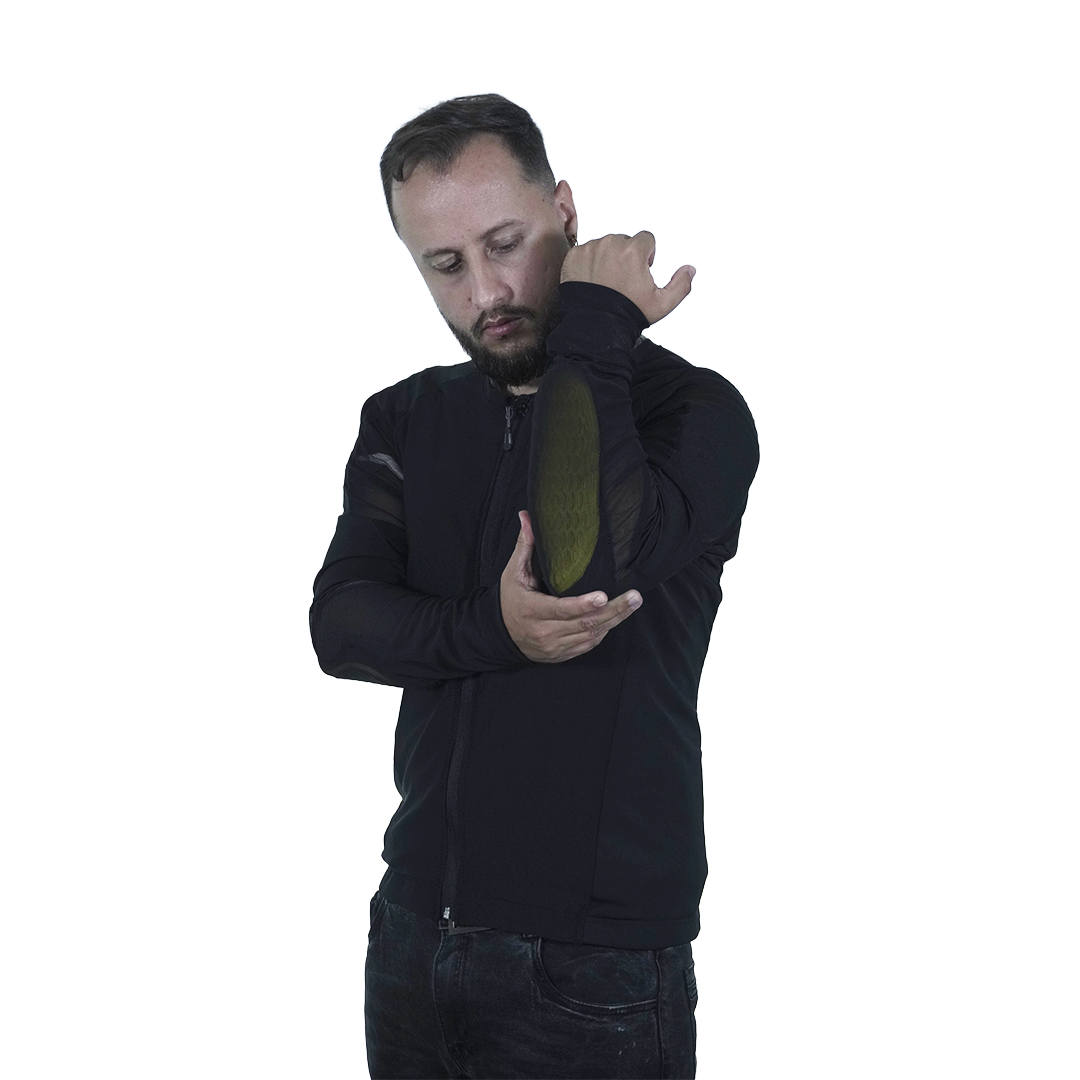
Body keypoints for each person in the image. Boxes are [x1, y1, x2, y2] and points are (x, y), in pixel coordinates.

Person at [310, 93, 760, 1079]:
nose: (486, 292)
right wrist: (495, 629)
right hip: (412, 936)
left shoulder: (697, 413)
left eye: (505, 244)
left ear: (565, 211)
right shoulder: (405, 419)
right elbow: (342, 626)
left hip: (597, 962)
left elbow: (579, 558)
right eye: (445, 265)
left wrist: (595, 327)